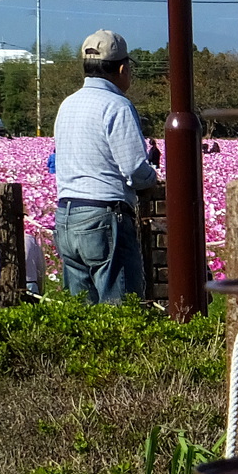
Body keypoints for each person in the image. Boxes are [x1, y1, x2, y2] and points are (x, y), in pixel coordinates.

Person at [52, 29, 158, 304]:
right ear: (122, 68)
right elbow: (135, 169)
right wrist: (152, 177)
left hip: (66, 217)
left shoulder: (67, 105)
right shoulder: (117, 105)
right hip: (104, 216)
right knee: (119, 313)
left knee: (82, 316)